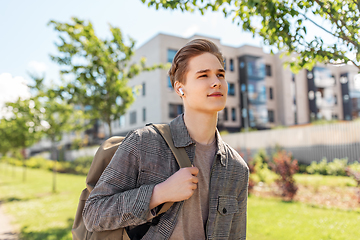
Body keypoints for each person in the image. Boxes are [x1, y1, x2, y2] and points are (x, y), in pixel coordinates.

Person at [83, 38, 249, 240]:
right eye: (203, 75)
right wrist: (159, 194)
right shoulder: (144, 142)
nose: (216, 82)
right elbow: (93, 214)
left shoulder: (236, 168)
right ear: (180, 88)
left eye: (220, 74)